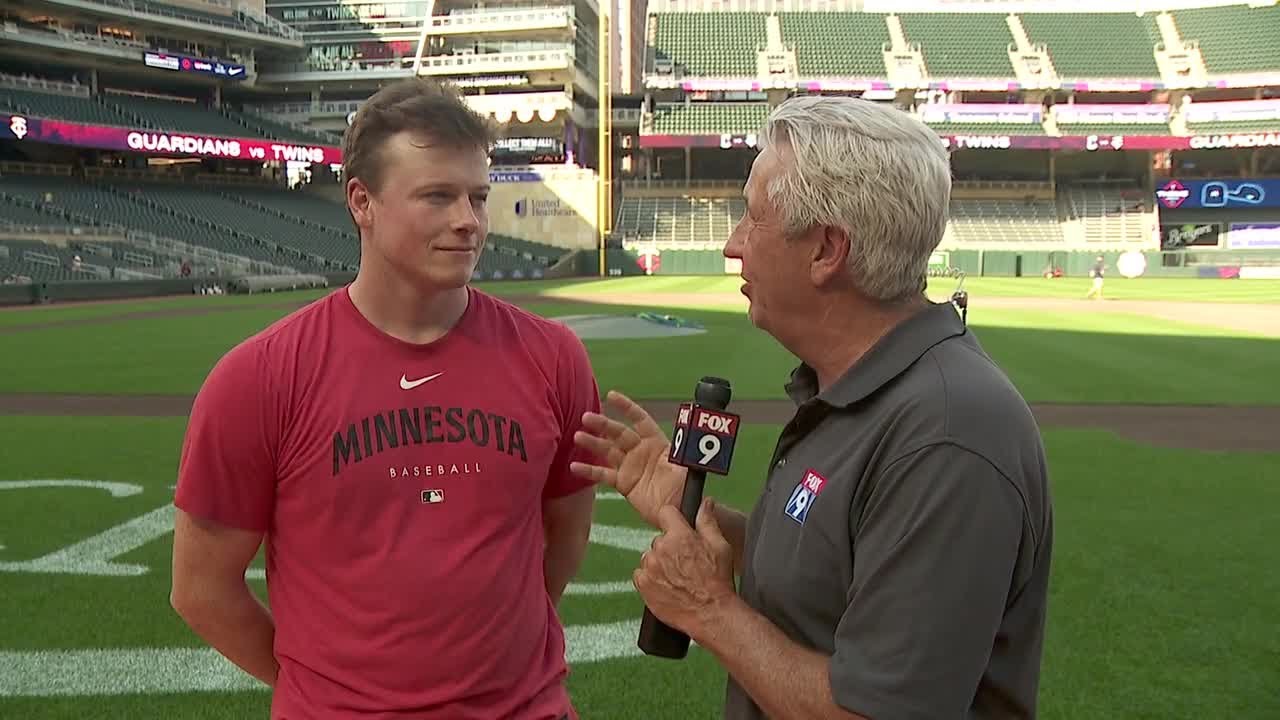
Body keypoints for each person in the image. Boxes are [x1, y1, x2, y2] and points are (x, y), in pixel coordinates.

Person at [571, 95, 1054, 720]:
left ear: (827, 250)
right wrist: (696, 514)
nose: (732, 245)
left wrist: (707, 608)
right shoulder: (856, 389)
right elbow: (837, 570)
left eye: (752, 219)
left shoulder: (946, 435)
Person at [169, 77, 600, 719]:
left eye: (477, 198)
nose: (469, 221)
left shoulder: (553, 357)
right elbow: (200, 589)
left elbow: (564, 533)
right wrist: (325, 692)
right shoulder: (258, 378)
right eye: (437, 197)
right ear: (361, 202)